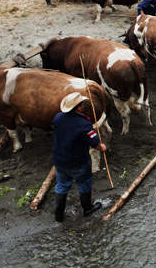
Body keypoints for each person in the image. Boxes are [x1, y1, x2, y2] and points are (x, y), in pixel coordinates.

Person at [52, 92, 107, 222]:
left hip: (59, 160)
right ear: (79, 107)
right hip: (78, 162)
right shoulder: (83, 124)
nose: (83, 105)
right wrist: (102, 146)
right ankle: (87, 208)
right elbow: (95, 143)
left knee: (62, 185)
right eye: (81, 104)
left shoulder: (58, 117)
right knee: (84, 183)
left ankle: (58, 214)